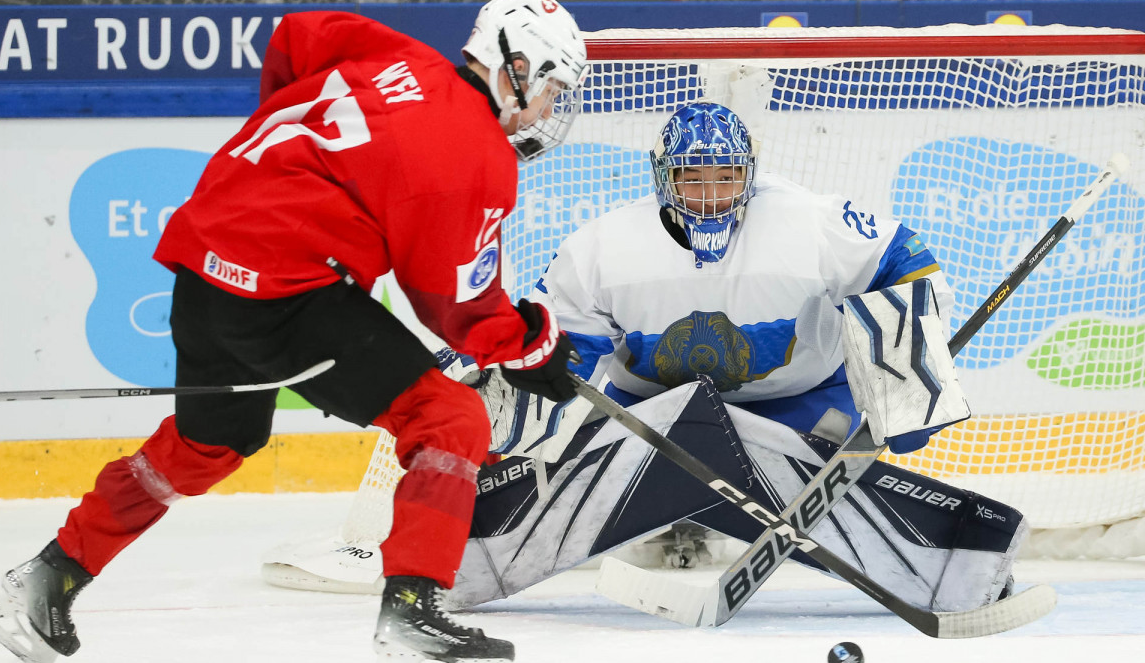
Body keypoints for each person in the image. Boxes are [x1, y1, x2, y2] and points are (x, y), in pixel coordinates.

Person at [0, 0, 586, 663]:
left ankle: (42, 581)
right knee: (451, 421)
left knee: (208, 444)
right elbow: (454, 307)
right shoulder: (473, 151)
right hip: (280, 295)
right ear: (516, 68)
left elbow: (300, 35)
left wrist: (286, 178)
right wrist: (533, 347)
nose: (551, 110)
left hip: (201, 263)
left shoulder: (396, 57)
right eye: (552, 90)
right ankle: (413, 613)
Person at [434, 102, 1025, 616]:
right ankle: (459, 557)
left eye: (728, 177)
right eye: (693, 178)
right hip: (650, 415)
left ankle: (959, 566)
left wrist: (905, 373)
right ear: (662, 178)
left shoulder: (809, 221)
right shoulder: (601, 247)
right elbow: (558, 347)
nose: (712, 195)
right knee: (552, 433)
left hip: (800, 407)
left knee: (829, 462)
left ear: (751, 175)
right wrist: (513, 424)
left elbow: (906, 261)